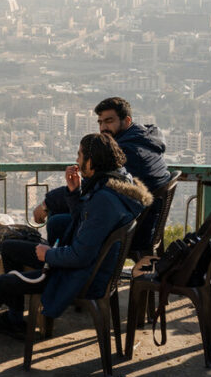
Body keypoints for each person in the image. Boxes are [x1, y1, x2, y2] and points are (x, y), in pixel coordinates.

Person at [0, 133, 152, 370]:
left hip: (76, 276)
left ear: (92, 161)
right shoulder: (115, 184)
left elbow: (81, 255)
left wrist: (48, 255)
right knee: (10, 248)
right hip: (82, 265)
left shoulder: (104, 201)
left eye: (80, 155)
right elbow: (83, 224)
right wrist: (74, 192)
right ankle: (14, 319)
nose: (76, 160)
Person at [34, 97, 169, 257]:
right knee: (65, 210)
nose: (103, 128)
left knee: (57, 221)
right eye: (100, 122)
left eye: (109, 121)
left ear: (126, 121)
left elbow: (91, 188)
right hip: (142, 221)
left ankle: (65, 270)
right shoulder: (144, 141)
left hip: (133, 231)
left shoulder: (127, 153)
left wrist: (46, 204)